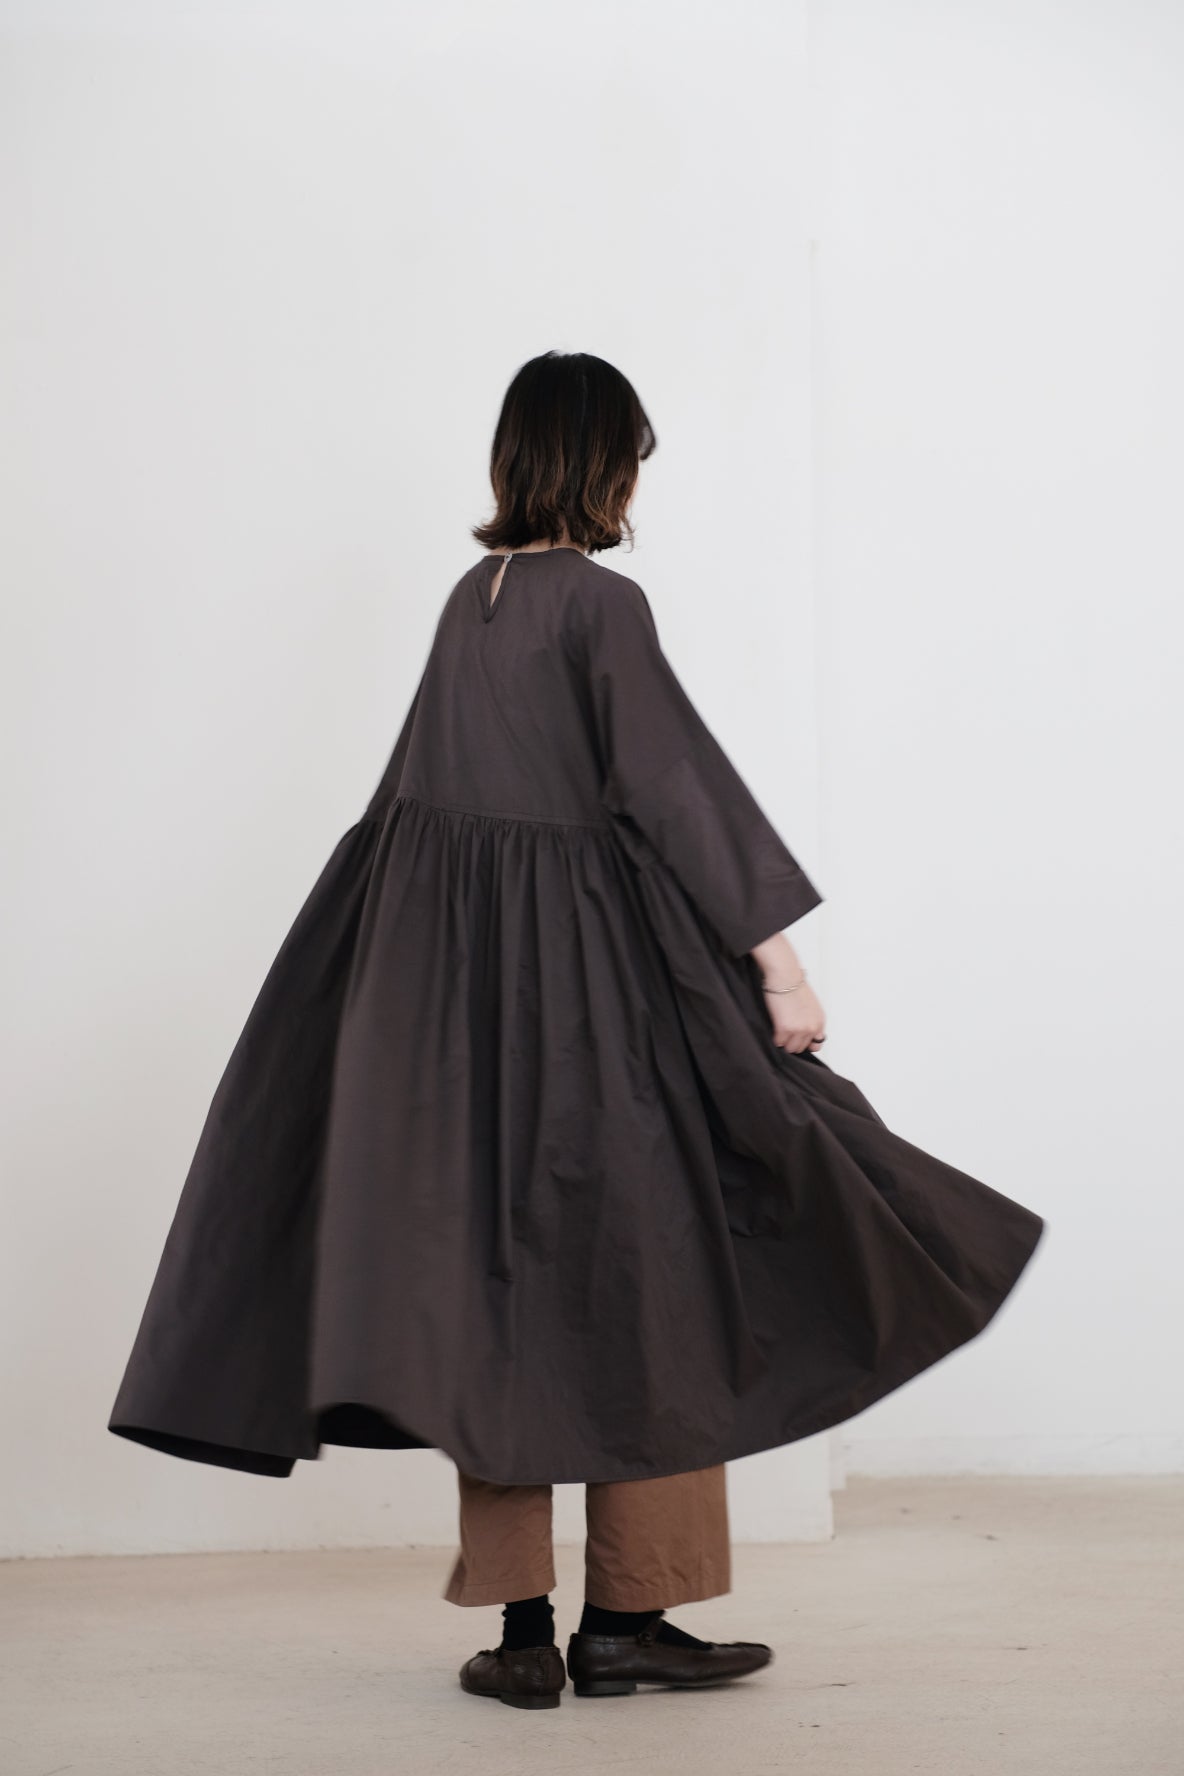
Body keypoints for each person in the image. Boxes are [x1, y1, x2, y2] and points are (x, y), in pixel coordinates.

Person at [108, 350, 1045, 1711]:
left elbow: (411, 814)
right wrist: (780, 966)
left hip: (456, 1024)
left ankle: (521, 1636)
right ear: (604, 464)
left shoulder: (469, 599)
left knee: (491, 1300)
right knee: (656, 1280)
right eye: (633, 461)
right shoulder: (603, 605)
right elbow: (675, 788)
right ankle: (630, 1620)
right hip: (597, 1001)